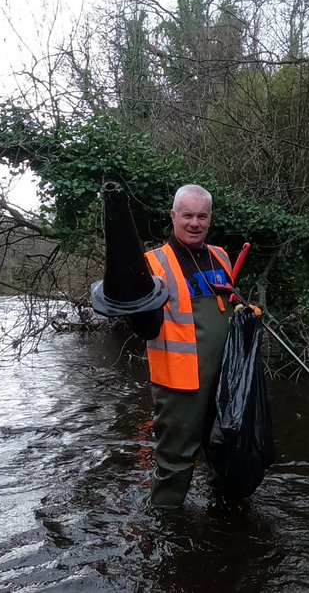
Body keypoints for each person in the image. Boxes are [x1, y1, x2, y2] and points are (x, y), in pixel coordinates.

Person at [124, 184, 237, 508]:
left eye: (202, 216)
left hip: (224, 377)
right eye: (187, 215)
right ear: (173, 216)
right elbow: (143, 326)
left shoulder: (221, 256)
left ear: (210, 218)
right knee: (175, 459)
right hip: (179, 381)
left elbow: (227, 307)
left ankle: (223, 510)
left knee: (224, 447)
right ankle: (166, 521)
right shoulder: (152, 263)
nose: (195, 223)